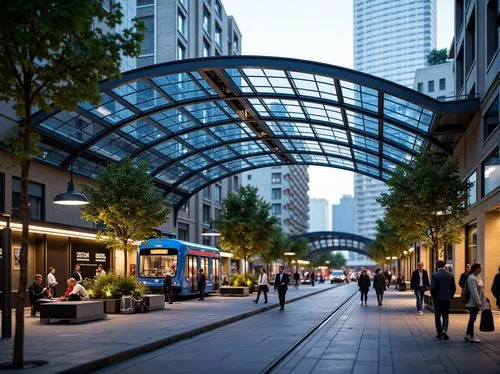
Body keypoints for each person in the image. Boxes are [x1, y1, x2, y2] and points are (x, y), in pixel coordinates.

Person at [431, 260, 456, 340]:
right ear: (444, 265)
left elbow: (433, 288)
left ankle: (439, 333)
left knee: (437, 316)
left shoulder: (434, 275)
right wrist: (450, 296)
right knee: (445, 315)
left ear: (437, 266)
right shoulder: (450, 275)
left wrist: (434, 297)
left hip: (437, 299)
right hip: (447, 298)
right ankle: (444, 330)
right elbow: (454, 288)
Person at [465, 263, 488, 343]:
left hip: (477, 301)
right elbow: (474, 291)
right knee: (472, 319)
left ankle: (467, 334)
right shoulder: (471, 278)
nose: (482, 269)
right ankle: (472, 336)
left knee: (472, 318)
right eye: (481, 267)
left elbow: (480, 289)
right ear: (477, 268)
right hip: (473, 302)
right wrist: (478, 302)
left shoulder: (477, 277)